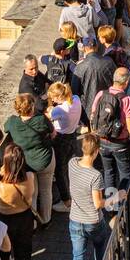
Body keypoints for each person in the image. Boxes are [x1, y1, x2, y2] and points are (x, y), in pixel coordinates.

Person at [67, 133, 109, 260]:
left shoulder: (72, 164)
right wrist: (117, 197)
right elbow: (98, 203)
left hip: (75, 220)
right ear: (97, 152)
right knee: (100, 249)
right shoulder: (96, 176)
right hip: (93, 221)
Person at [90, 66, 130, 205]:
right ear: (126, 83)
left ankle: (111, 206)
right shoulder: (127, 100)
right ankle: (123, 206)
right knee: (125, 175)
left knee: (109, 173)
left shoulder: (101, 94)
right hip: (120, 143)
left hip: (102, 141)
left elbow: (93, 116)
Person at [2, 93, 55, 225]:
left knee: (32, 193)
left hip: (26, 163)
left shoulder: (13, 122)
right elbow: (53, 133)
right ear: (32, 106)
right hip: (45, 160)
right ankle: (46, 220)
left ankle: (34, 223)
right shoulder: (41, 119)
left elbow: (5, 129)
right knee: (46, 191)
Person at [46, 80, 82, 212]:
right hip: (72, 135)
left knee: (60, 171)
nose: (52, 100)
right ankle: (70, 194)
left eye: (53, 98)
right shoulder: (76, 99)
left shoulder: (59, 109)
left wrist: (50, 108)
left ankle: (66, 201)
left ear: (58, 97)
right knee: (66, 167)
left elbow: (47, 117)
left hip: (60, 139)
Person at [72, 38, 115, 125]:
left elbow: (74, 91)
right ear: (97, 47)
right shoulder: (109, 61)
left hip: (87, 109)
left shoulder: (80, 67)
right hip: (108, 104)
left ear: (84, 48)